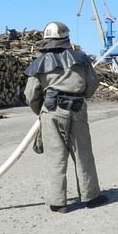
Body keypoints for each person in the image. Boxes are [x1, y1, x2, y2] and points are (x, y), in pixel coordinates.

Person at [24, 21, 107, 213]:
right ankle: (91, 197)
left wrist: (42, 112)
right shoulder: (82, 59)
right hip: (77, 110)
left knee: (55, 157)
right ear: (66, 37)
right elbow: (92, 83)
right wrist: (81, 96)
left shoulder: (38, 63)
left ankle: (57, 203)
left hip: (51, 113)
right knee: (83, 155)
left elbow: (30, 95)